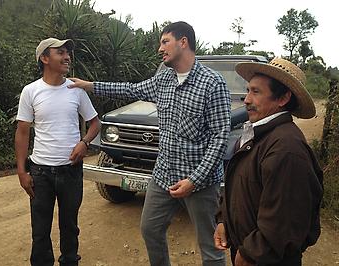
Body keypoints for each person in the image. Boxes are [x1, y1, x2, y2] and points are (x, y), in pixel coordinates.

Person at [70, 21, 230, 266]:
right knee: (150, 229)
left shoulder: (212, 83)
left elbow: (220, 137)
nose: (159, 48)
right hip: (163, 175)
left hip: (199, 182)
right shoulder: (163, 79)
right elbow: (131, 90)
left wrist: (194, 180)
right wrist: (89, 86)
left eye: (165, 41)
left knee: (209, 246)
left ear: (183, 42)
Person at [214, 58, 323, 266]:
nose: (246, 99)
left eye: (256, 92)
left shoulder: (287, 149)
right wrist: (223, 221)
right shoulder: (255, 134)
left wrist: (251, 253)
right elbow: (238, 186)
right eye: (247, 90)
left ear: (283, 98)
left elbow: (285, 219)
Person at [15, 38, 100, 266]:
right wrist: (22, 172)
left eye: (67, 52)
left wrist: (84, 143)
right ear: (44, 58)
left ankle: (69, 261)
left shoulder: (76, 89)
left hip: (71, 171)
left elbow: (95, 123)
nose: (67, 57)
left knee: (69, 226)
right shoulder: (30, 91)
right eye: (60, 52)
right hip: (40, 172)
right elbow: (22, 132)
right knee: (40, 230)